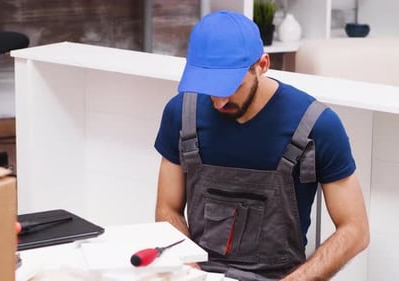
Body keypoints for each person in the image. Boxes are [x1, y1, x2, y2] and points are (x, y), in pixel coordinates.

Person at [154, 10, 369, 281]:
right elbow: (168, 209)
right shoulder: (181, 114)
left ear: (263, 64)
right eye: (209, 87)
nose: (219, 101)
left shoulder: (317, 126)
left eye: (231, 86)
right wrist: (189, 270)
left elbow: (355, 230)